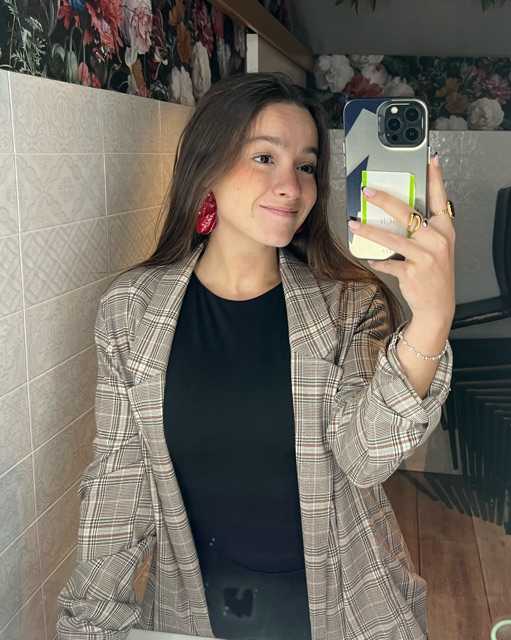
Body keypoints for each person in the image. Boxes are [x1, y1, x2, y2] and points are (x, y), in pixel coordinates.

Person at [57, 72, 455, 640]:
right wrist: (88, 623)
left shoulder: (348, 304)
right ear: (207, 167)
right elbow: (118, 488)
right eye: (264, 157)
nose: (291, 186)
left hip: (347, 608)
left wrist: (433, 320)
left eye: (307, 166)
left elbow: (365, 459)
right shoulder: (133, 310)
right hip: (195, 614)